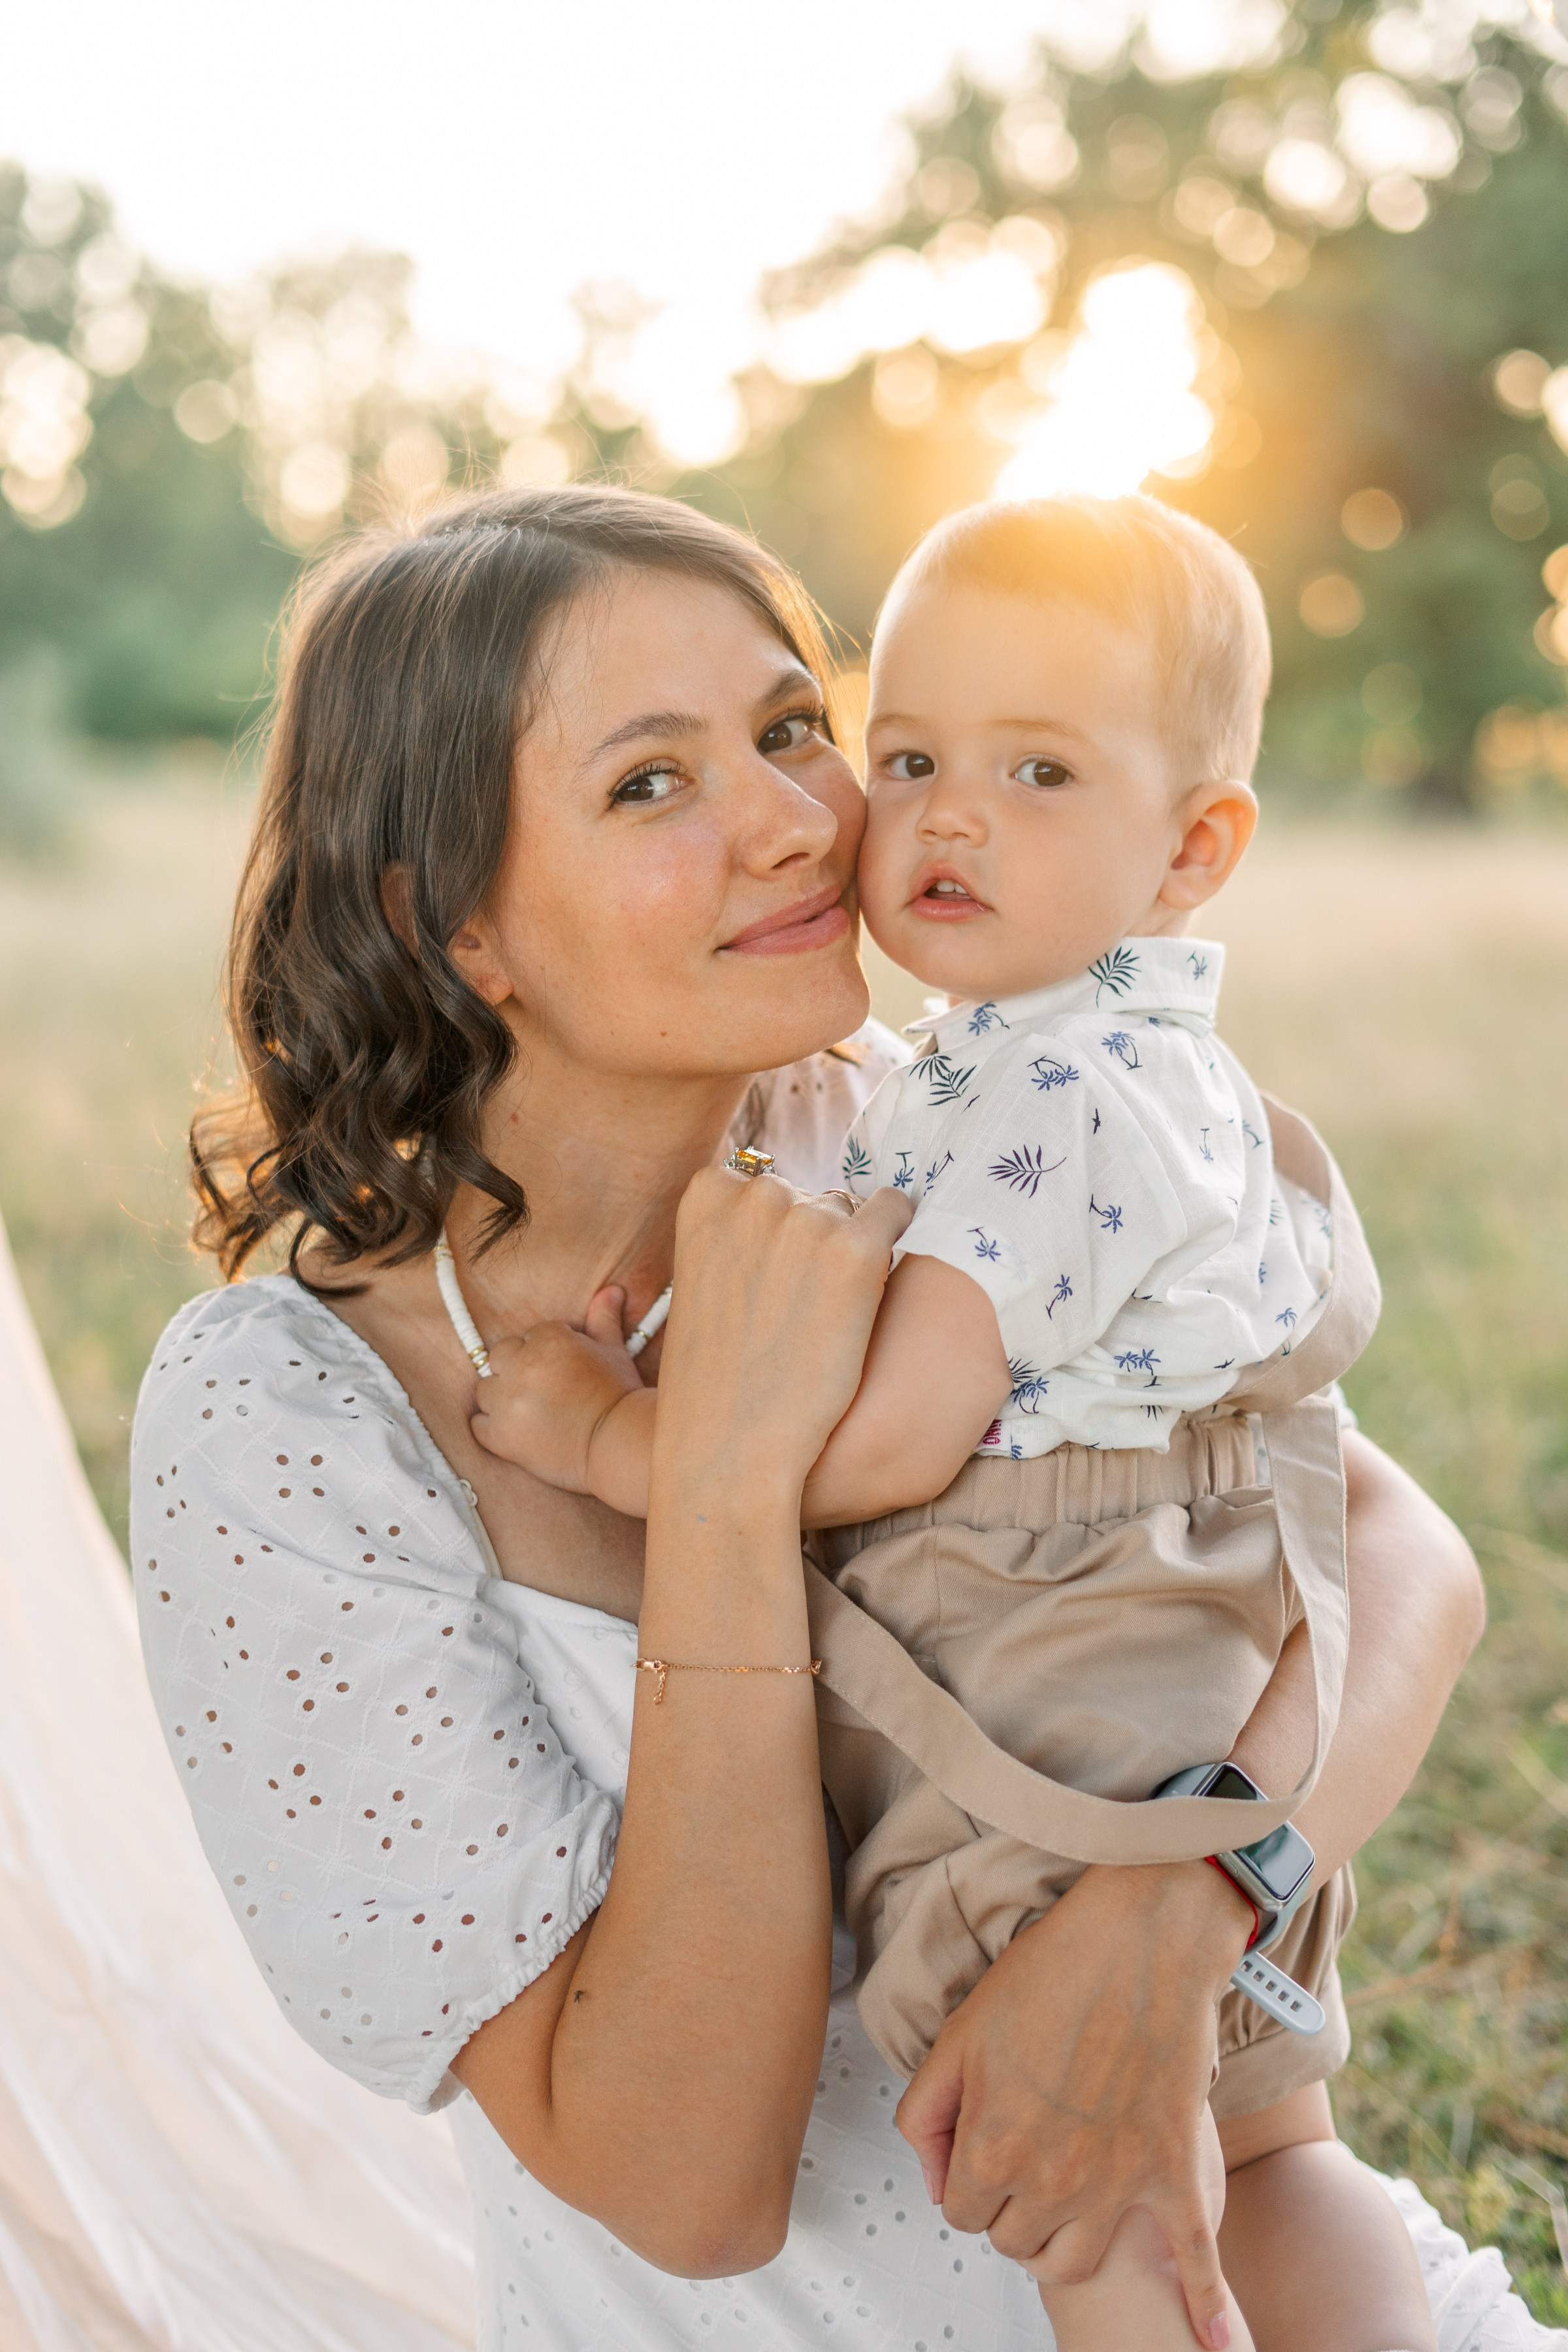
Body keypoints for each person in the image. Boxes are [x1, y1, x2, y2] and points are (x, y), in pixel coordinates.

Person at [131, 485, 1487, 2352]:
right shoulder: (289, 1415)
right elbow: (690, 2187)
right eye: (651, 785)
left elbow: (1397, 1558)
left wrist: (1182, 1914)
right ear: (450, 924)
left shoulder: (928, 1125)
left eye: (791, 732)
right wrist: (722, 1484)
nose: (795, 821)